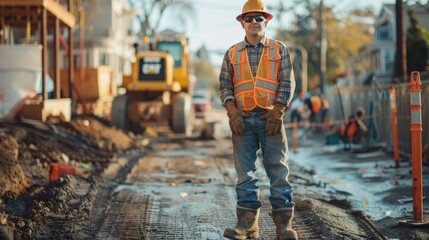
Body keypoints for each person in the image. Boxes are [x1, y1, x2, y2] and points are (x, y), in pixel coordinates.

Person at [218, 0, 297, 239]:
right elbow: (224, 85)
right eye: (249, 18)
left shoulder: (279, 49)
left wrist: (278, 110)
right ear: (242, 23)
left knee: (278, 171)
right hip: (242, 122)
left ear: (267, 21)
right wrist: (231, 110)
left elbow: (287, 82)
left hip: (270, 118)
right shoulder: (232, 53)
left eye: (258, 18)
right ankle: (247, 225)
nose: (254, 22)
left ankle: (283, 226)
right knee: (245, 175)